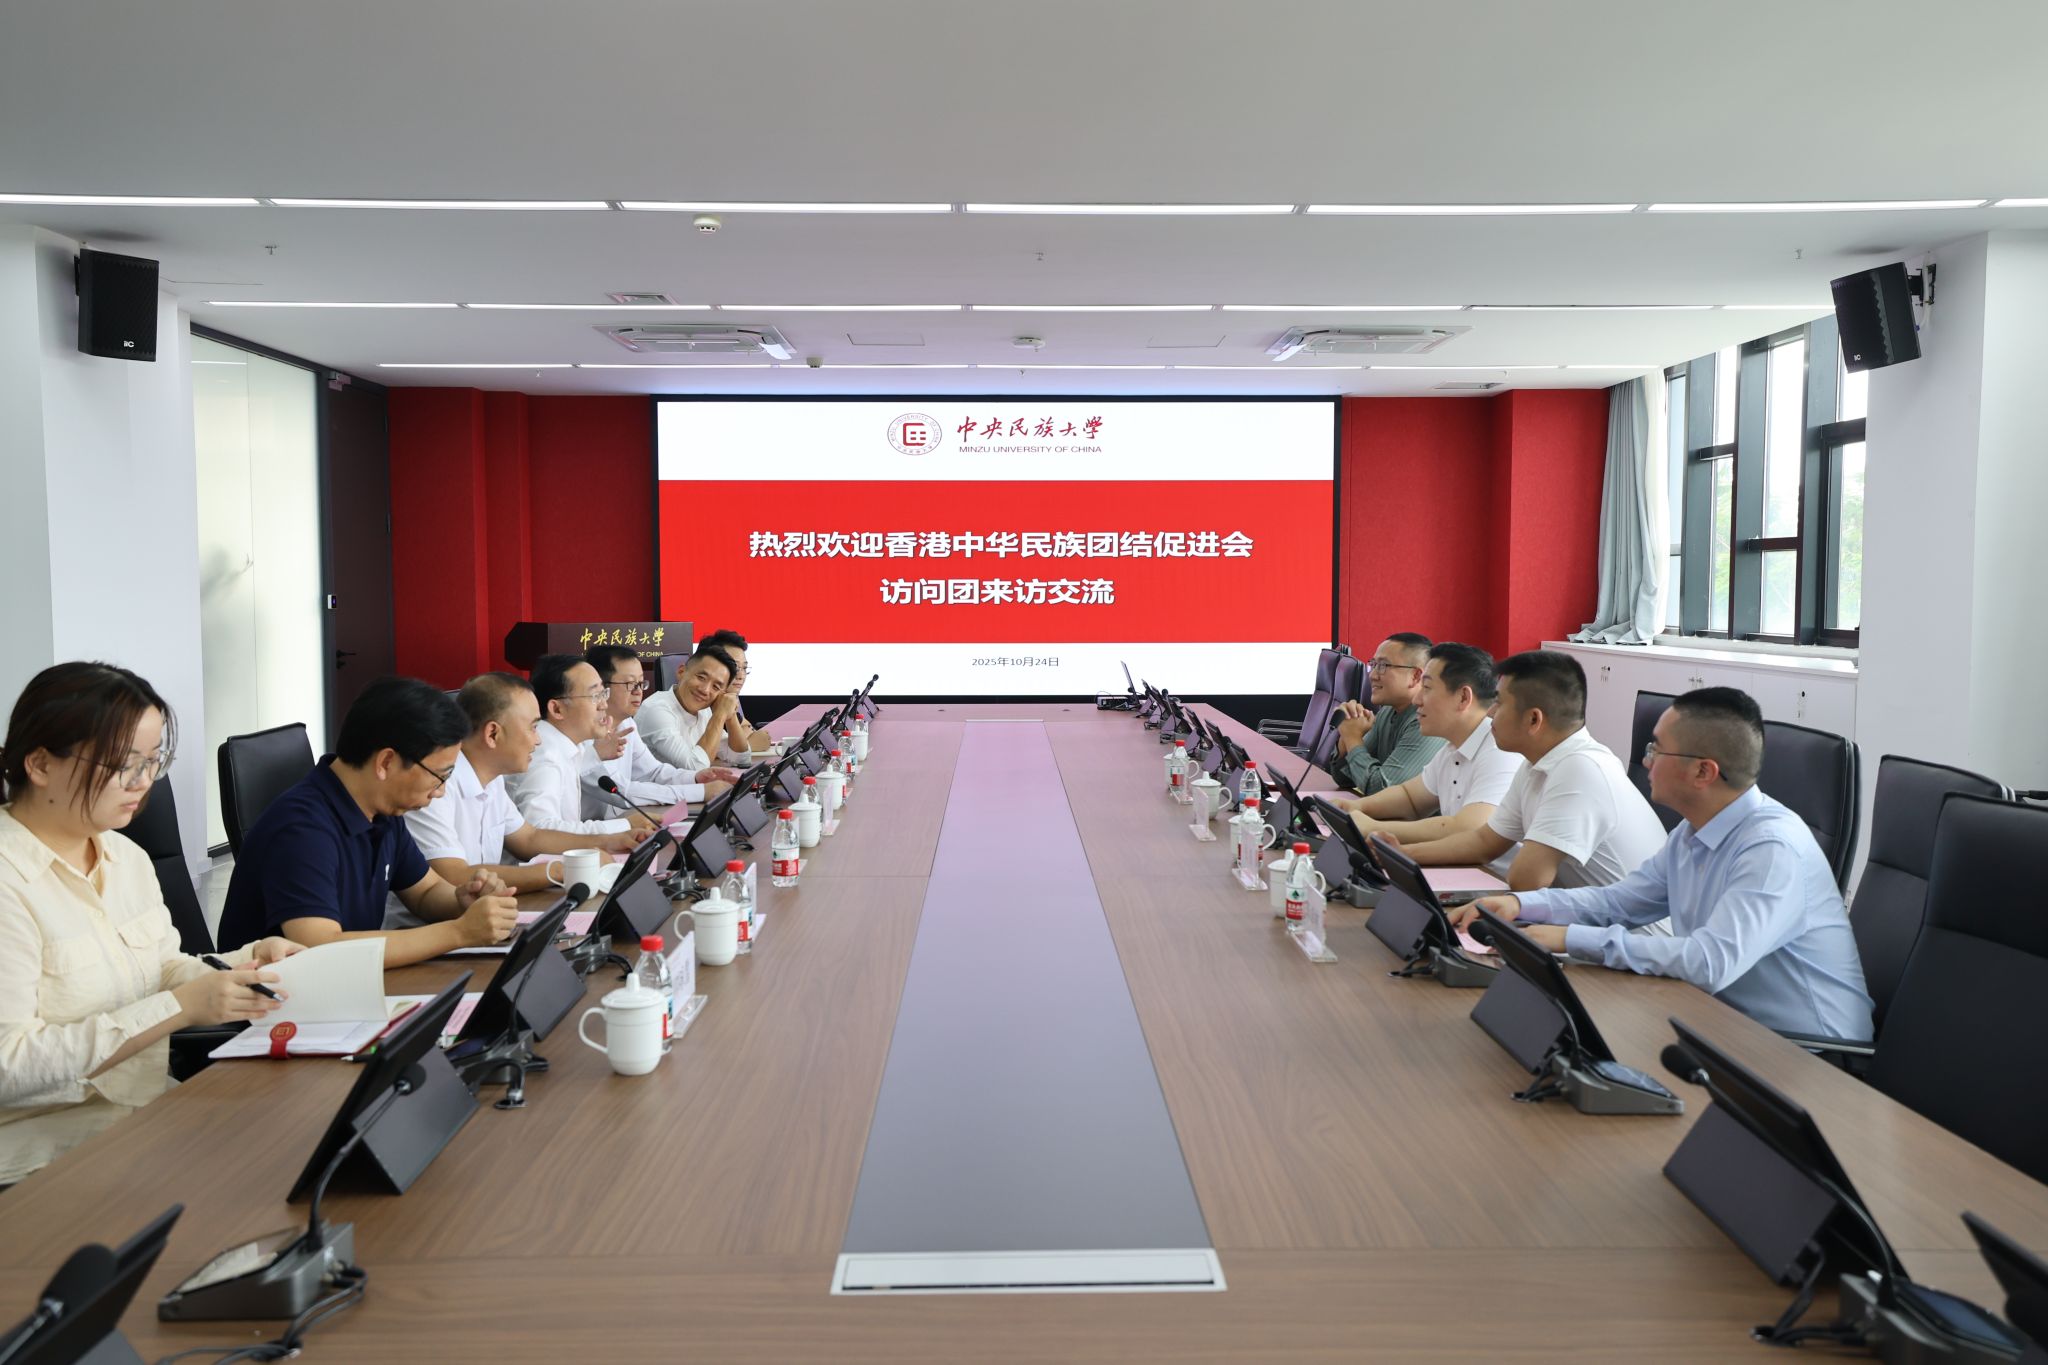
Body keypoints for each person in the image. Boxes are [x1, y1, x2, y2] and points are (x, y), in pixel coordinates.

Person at [0, 663, 300, 1184]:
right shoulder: (9, 882)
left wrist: (246, 963)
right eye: (123, 764)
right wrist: (179, 1008)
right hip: (40, 1150)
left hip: (144, 1110)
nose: (143, 783)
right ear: (41, 764)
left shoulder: (125, 858)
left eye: (152, 760)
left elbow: (161, 968)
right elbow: (11, 1065)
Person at [1452, 688, 1874, 1041]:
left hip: (1808, 1052)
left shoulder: (1772, 849)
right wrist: (1521, 906)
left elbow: (1709, 962)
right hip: (1718, 1022)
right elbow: (1618, 903)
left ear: (1703, 772)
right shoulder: (1691, 833)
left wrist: (1567, 937)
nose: (1647, 761)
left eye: (1657, 749)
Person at [216, 677, 520, 964]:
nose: (440, 791)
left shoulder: (384, 810)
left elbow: (425, 892)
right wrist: (459, 932)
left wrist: (462, 901)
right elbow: (320, 947)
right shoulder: (301, 829)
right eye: (439, 776)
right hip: (273, 996)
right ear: (386, 762)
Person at [1392, 650, 1667, 898]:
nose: (1490, 712)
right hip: (1580, 923)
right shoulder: (1535, 764)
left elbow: (1526, 880)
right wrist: (1403, 854)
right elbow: (1484, 842)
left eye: (1499, 703)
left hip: (1625, 935)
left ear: (1534, 719)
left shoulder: (1580, 769)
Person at [399, 673, 645, 906]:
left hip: (482, 914)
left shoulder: (492, 778)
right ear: (493, 733)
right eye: (533, 727)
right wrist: (563, 869)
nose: (538, 740)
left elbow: (528, 838)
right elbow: (453, 875)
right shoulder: (435, 785)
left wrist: (608, 841)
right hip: (429, 926)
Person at [1333, 643, 1523, 849]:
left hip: (1486, 870)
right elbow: (1409, 798)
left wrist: (1373, 827)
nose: (1417, 699)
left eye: (1427, 688)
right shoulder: (1453, 748)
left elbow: (1467, 828)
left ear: (1463, 697)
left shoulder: (1499, 751)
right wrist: (1355, 806)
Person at [582, 645, 733, 818]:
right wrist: (700, 792)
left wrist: (696, 778)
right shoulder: (583, 733)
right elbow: (622, 791)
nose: (638, 691)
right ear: (600, 688)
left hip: (617, 824)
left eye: (640, 683)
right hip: (585, 833)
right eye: (630, 684)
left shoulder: (626, 723)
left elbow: (653, 772)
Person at [507, 654, 640, 837]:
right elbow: (540, 829)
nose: (604, 704)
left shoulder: (568, 746)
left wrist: (595, 754)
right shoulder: (545, 755)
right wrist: (625, 825)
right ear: (557, 709)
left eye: (603, 693)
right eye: (595, 696)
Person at [1332, 633, 1444, 795]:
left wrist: (1352, 738)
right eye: (1373, 664)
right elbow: (1344, 777)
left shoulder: (1428, 721)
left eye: (1383, 666)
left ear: (1415, 676)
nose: (1372, 675)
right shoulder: (1387, 711)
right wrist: (1347, 733)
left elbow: (1382, 789)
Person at [636, 641, 741, 773]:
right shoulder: (657, 709)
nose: (705, 690)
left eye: (716, 687)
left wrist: (730, 714)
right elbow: (696, 768)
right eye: (701, 677)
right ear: (681, 672)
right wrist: (720, 715)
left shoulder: (704, 711)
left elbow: (741, 759)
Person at [697, 630, 776, 763]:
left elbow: (746, 726)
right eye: (734, 667)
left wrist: (741, 740)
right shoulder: (700, 704)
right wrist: (749, 744)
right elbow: (701, 754)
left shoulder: (728, 697)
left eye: (744, 668)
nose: (741, 675)